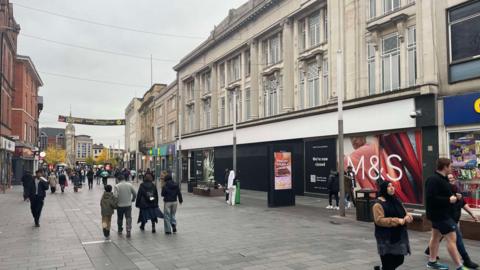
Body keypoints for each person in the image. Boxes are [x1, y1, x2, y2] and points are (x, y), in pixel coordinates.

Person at [425, 174, 479, 269]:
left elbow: (464, 204)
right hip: (446, 220)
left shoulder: (456, 192)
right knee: (456, 239)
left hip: (446, 220)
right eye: (449, 179)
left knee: (437, 237)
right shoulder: (445, 191)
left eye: (453, 178)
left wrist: (473, 214)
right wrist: (449, 200)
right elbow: (434, 201)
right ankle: (463, 262)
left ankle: (430, 255)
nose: (452, 180)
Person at [426, 158, 468, 270]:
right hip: (440, 215)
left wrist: (456, 196)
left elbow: (445, 194)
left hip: (442, 214)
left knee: (435, 237)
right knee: (452, 238)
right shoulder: (433, 180)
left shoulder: (443, 179)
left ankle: (432, 261)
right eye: (450, 166)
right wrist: (448, 200)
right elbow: (431, 198)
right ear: (445, 167)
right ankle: (460, 266)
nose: (452, 168)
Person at [373, 181, 412, 270]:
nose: (391, 188)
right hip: (385, 237)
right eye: (388, 186)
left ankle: (382, 268)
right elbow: (379, 220)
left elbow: (404, 212)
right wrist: (397, 220)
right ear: (383, 189)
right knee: (389, 263)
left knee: (399, 259)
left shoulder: (396, 200)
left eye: (392, 186)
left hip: (398, 236)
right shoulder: (378, 204)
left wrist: (408, 217)